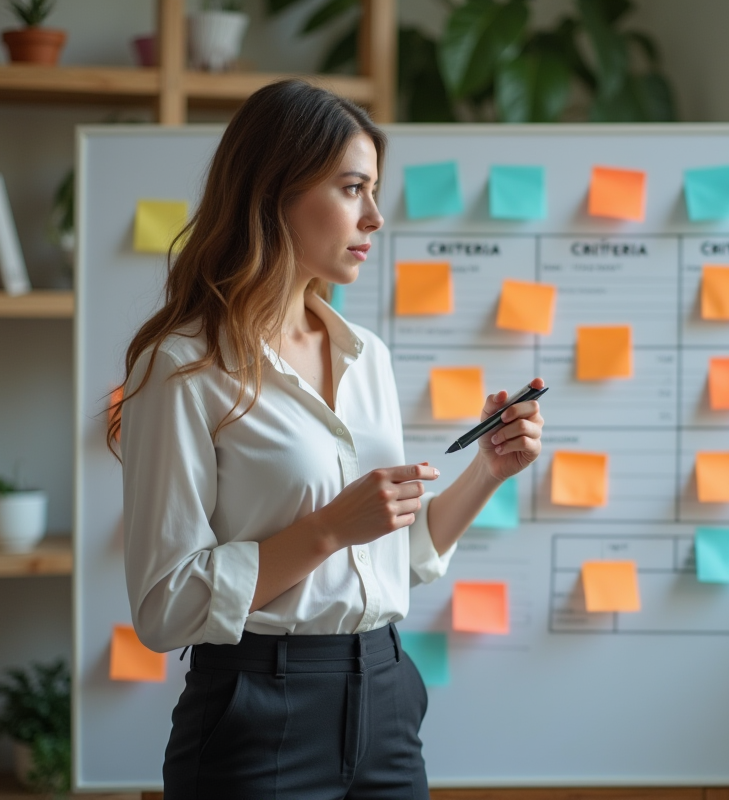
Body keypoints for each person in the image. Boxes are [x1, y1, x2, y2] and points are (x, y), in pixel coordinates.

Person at [108, 79, 545, 799]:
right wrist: (327, 529)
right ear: (272, 191)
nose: (375, 217)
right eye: (352, 189)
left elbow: (387, 563)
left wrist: (487, 473)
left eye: (374, 191)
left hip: (387, 694)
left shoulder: (365, 354)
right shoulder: (183, 367)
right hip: (256, 711)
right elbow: (165, 606)